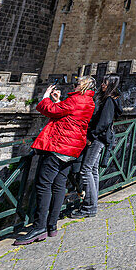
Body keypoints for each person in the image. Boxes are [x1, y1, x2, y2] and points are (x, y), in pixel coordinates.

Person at [15, 75, 95, 245]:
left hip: (60, 147)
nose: (74, 85)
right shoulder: (88, 102)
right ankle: (52, 225)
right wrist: (59, 101)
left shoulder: (76, 100)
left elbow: (50, 111)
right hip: (72, 149)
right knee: (59, 184)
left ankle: (39, 227)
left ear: (84, 86)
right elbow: (67, 116)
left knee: (43, 184)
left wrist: (45, 96)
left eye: (77, 83)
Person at [77, 75, 122, 218]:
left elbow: (104, 123)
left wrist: (91, 136)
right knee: (93, 171)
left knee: (85, 170)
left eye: (105, 82)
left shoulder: (109, 100)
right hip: (101, 138)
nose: (102, 84)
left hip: (98, 139)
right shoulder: (111, 99)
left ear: (111, 84)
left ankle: (89, 207)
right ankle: (92, 203)